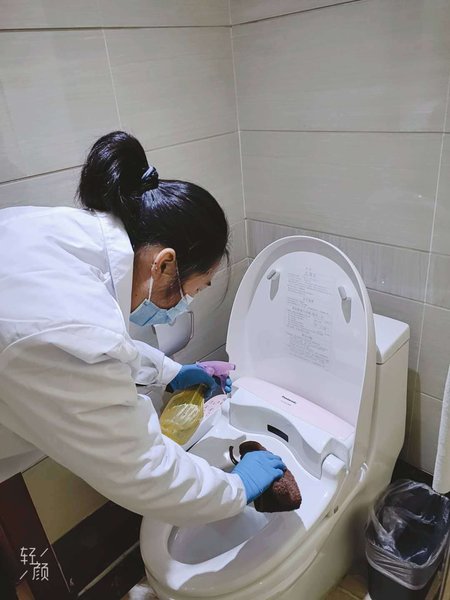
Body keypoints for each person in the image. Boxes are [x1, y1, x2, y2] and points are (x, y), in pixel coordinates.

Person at [0, 131, 285, 526]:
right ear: (165, 265)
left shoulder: (59, 232)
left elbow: (100, 350)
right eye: (194, 290)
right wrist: (238, 487)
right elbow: (145, 471)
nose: (186, 304)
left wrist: (171, 372)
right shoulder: (68, 330)